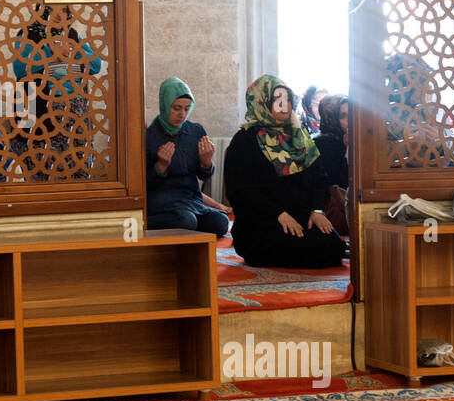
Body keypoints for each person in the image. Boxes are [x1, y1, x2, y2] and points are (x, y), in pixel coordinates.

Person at [224, 74, 346, 268]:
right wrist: (278, 214)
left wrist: (316, 210)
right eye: (277, 100)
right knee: (309, 249)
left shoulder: (299, 136)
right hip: (261, 222)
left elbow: (319, 178)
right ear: (262, 102)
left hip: (302, 217)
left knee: (333, 247)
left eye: (287, 99)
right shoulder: (245, 140)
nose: (284, 105)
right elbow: (241, 191)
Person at [11, 5, 103, 180]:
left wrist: (73, 51)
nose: (58, 15)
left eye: (64, 10)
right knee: (45, 174)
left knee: (76, 172)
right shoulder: (29, 34)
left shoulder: (73, 35)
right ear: (41, 10)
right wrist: (51, 52)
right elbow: (21, 68)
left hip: (74, 117)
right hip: (41, 115)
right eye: (52, 9)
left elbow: (96, 65)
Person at [145, 77, 230, 235]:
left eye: (186, 108)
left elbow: (203, 175)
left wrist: (206, 162)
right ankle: (144, 223)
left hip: (192, 201)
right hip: (163, 203)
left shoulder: (196, 131)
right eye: (176, 108)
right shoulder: (149, 136)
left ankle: (189, 225)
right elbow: (143, 183)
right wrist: (160, 166)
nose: (182, 114)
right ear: (164, 105)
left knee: (221, 222)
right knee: (187, 221)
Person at [314, 94, 350, 237]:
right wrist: (348, 151)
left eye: (352, 114)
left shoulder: (356, 137)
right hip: (332, 210)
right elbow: (337, 185)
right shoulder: (322, 144)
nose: (350, 120)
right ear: (332, 117)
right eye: (343, 116)